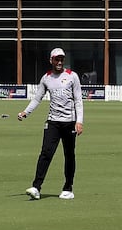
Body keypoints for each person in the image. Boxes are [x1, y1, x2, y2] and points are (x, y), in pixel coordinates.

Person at [18, 48, 84, 200]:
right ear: (51, 60)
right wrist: (25, 112)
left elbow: (78, 100)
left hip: (69, 122)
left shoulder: (72, 76)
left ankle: (68, 188)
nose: (59, 62)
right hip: (53, 122)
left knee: (69, 155)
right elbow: (37, 98)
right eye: (56, 59)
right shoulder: (46, 78)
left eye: (61, 59)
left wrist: (79, 121)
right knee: (46, 153)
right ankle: (36, 187)